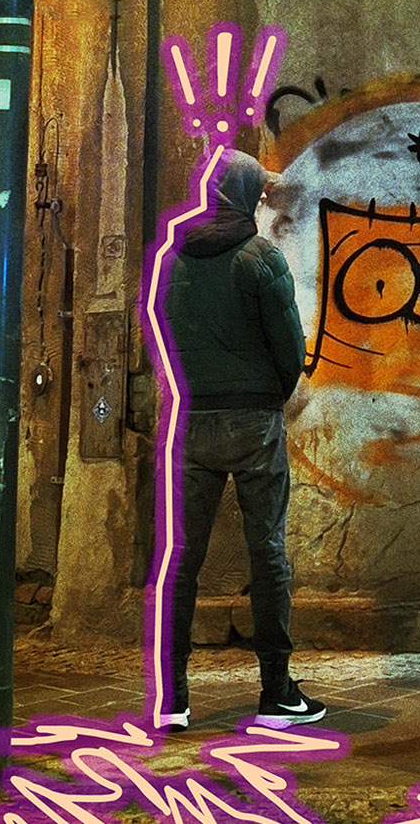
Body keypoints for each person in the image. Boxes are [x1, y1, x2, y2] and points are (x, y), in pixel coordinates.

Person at [163, 149, 325, 731]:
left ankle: (173, 698)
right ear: (243, 197)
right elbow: (291, 350)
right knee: (268, 554)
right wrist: (270, 393)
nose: (260, 205)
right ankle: (277, 693)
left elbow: (167, 338)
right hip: (254, 422)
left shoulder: (173, 261)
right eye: (257, 195)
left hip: (193, 422)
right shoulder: (261, 258)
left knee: (183, 560)